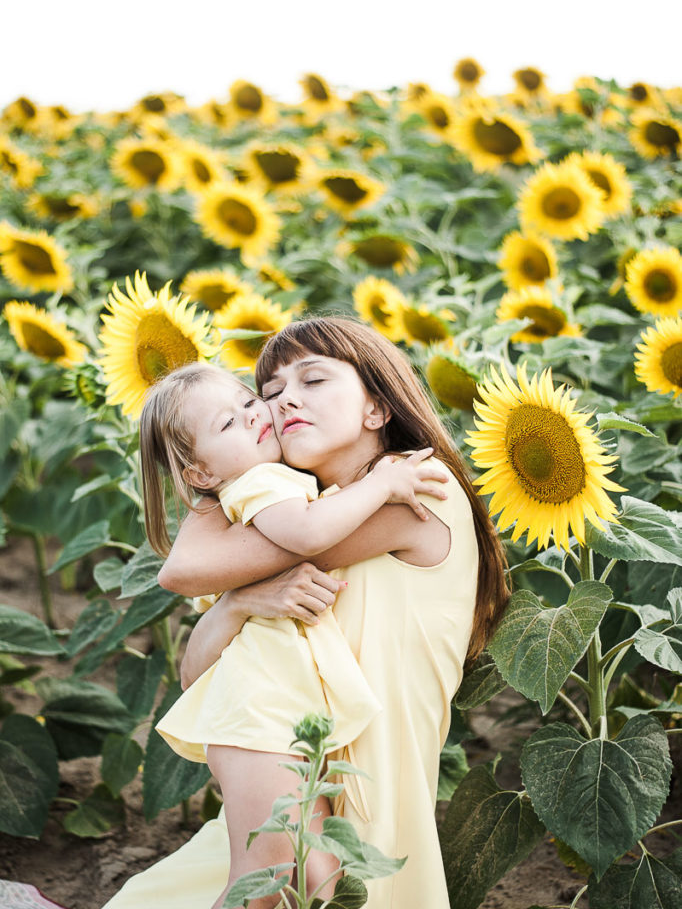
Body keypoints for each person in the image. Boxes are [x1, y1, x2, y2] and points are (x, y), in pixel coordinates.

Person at [103, 316, 509, 909]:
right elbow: (196, 675)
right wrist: (241, 602)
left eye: (314, 380)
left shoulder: (416, 488)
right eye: (268, 394)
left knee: (298, 882)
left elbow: (187, 570)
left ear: (376, 407)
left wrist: (235, 581)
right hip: (304, 778)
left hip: (367, 786)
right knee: (281, 880)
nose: (282, 400)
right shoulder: (297, 505)